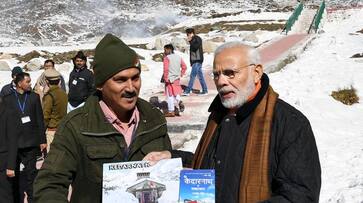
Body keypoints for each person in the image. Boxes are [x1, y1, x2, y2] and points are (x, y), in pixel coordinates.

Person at [144, 42, 321, 202]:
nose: (221, 81)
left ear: (256, 73)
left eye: (230, 73)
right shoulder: (219, 115)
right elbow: (218, 166)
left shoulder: (289, 122)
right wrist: (173, 158)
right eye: (216, 75)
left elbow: (300, 196)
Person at [34, 33, 172, 202]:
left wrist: (171, 158)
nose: (131, 87)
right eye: (120, 80)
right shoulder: (76, 126)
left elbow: (170, 168)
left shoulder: (154, 119)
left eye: (135, 78)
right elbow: (49, 184)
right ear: (100, 84)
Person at [2, 72, 46, 203]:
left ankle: (32, 199)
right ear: (19, 83)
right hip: (14, 144)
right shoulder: (7, 99)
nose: (30, 84)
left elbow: (40, 119)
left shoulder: (34, 97)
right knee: (13, 175)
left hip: (31, 142)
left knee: (31, 174)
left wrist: (42, 140)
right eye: (28, 82)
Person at [0, 96, 20, 203]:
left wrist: (11, 166)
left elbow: (13, 141)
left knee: (4, 196)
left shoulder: (8, 113)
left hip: (3, 164)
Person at [42, 69, 68, 150]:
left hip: (51, 131)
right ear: (59, 81)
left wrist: (41, 131)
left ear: (47, 81)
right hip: (62, 129)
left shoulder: (49, 96)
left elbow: (45, 116)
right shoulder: (64, 93)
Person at [162, 44, 187, 117]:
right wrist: (181, 74)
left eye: (165, 50)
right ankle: (179, 101)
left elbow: (166, 69)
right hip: (176, 78)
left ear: (169, 49)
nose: (164, 51)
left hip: (169, 79)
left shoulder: (167, 58)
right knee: (175, 92)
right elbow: (184, 67)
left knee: (169, 95)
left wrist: (165, 78)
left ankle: (171, 111)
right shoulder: (178, 57)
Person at [182, 28, 208, 96]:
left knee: (192, 76)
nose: (187, 35)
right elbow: (192, 53)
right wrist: (191, 62)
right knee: (200, 76)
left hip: (197, 60)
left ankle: (187, 91)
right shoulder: (193, 39)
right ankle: (205, 90)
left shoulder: (197, 38)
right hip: (195, 61)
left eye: (188, 34)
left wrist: (190, 41)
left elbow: (196, 47)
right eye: (187, 34)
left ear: (192, 33)